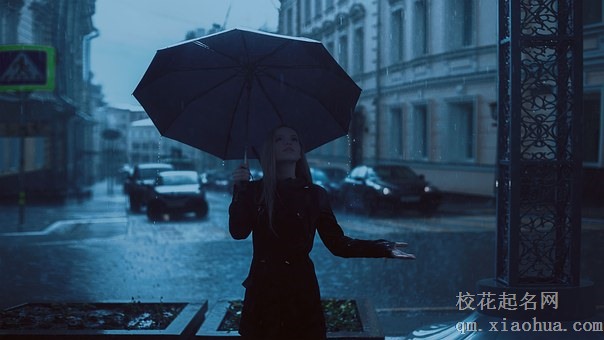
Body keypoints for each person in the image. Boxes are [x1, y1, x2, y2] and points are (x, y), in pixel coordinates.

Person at [229, 125, 415, 339]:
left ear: (300, 151)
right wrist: (240, 189)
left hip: (300, 292)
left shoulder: (315, 195)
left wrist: (381, 248)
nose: (288, 142)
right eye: (279, 139)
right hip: (263, 292)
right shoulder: (254, 192)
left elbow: (338, 244)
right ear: (268, 150)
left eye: (294, 138)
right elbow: (238, 231)